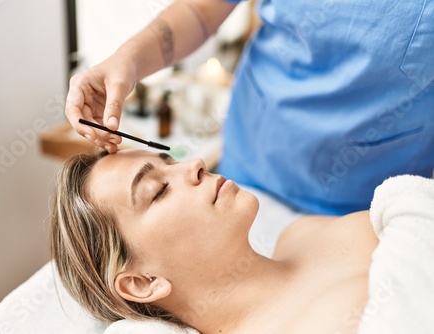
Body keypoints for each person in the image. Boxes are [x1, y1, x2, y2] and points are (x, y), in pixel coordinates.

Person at [65, 0, 434, 216]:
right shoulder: (225, 200)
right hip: (251, 165)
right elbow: (202, 9)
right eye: (159, 191)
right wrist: (128, 61)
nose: (195, 163)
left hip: (370, 200)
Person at [50, 148, 379, 333]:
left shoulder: (301, 233)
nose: (195, 164)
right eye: (158, 189)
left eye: (172, 161)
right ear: (141, 281)